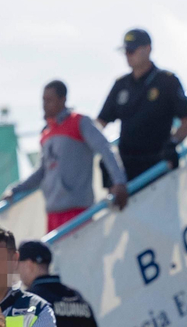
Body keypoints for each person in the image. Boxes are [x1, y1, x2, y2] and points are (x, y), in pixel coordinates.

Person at [7, 81, 129, 232]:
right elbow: (42, 171)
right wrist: (15, 190)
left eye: (49, 100)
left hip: (77, 211)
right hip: (52, 212)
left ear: (62, 99)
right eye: (43, 100)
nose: (45, 105)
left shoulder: (79, 122)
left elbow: (105, 149)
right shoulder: (46, 133)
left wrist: (119, 182)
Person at [98, 28, 187, 183]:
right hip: (127, 166)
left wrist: (173, 143)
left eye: (132, 50)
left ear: (147, 49)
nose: (128, 55)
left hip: (157, 163)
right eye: (125, 51)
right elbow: (100, 123)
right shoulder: (121, 85)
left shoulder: (167, 81)